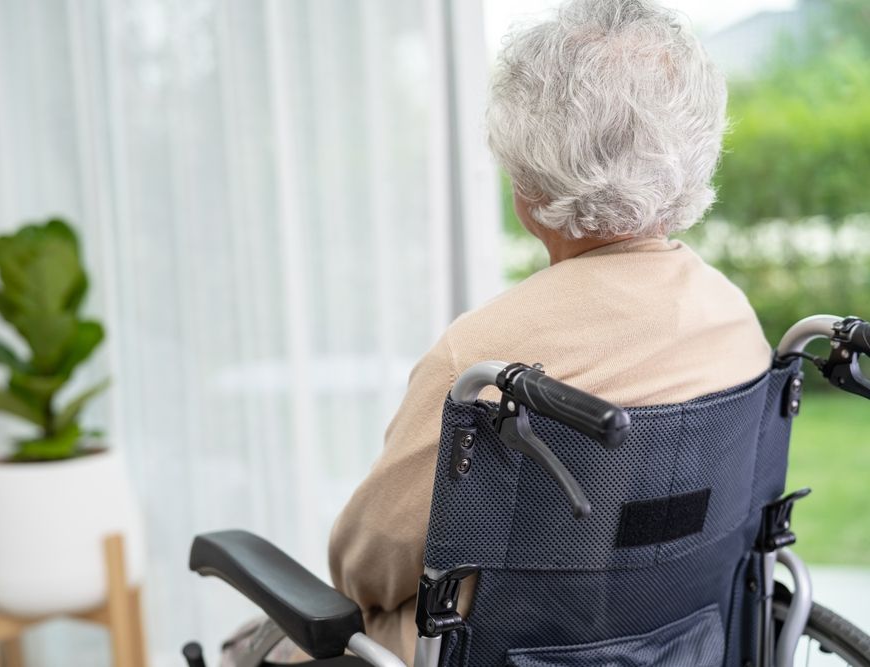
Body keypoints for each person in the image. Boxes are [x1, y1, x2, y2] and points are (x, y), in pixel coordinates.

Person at [327, 0, 771, 664]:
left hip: (488, 650)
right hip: (686, 641)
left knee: (271, 638)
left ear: (527, 183)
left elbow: (366, 565)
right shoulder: (734, 320)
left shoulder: (481, 359)